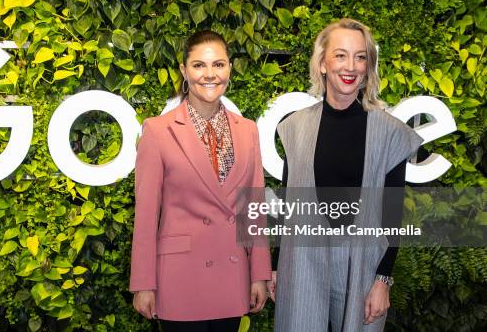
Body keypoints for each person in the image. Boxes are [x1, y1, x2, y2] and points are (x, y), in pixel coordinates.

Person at [271, 19, 423, 331]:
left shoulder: (390, 132)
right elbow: (288, 207)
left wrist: (382, 281)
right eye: (340, 55)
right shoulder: (294, 128)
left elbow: (392, 213)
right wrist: (276, 268)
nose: (350, 66)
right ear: (323, 63)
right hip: (302, 263)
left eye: (360, 56)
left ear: (368, 66)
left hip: (362, 267)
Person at [129, 30, 271, 331]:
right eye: (199, 65)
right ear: (184, 70)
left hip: (231, 274)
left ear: (229, 68)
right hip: (180, 277)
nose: (210, 74)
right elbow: (145, 215)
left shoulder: (248, 131)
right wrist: (143, 283)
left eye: (218, 65)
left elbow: (253, 209)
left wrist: (259, 272)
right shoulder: (157, 130)